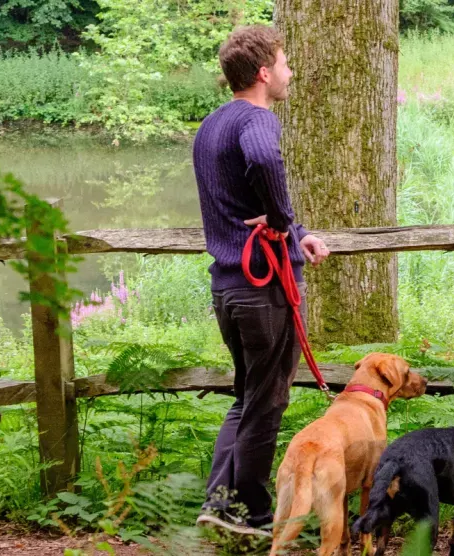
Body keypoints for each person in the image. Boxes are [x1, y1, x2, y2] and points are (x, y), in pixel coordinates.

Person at [190, 25, 329, 534]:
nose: (291, 73)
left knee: (246, 397)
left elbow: (238, 199)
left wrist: (296, 232)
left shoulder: (211, 126)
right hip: (261, 290)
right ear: (265, 72)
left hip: (228, 288)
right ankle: (252, 514)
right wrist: (281, 220)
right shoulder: (257, 119)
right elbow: (265, 160)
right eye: (285, 64)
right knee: (267, 403)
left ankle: (219, 503)